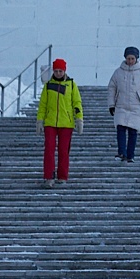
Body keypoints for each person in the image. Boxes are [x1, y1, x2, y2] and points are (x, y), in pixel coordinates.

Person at [35, 59, 83, 189]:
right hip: (50, 122)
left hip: (66, 123)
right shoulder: (48, 85)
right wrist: (40, 120)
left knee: (63, 151)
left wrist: (79, 119)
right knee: (49, 150)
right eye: (56, 71)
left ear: (64, 71)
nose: (58, 73)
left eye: (60, 71)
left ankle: (62, 176)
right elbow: (42, 105)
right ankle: (48, 176)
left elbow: (77, 103)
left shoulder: (71, 85)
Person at [107, 46, 140, 164]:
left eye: (132, 58)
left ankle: (130, 155)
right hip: (121, 105)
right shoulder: (118, 72)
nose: (130, 61)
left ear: (136, 59)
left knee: (133, 131)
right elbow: (112, 88)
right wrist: (111, 104)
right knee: (120, 129)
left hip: (136, 106)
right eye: (128, 58)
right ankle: (122, 152)